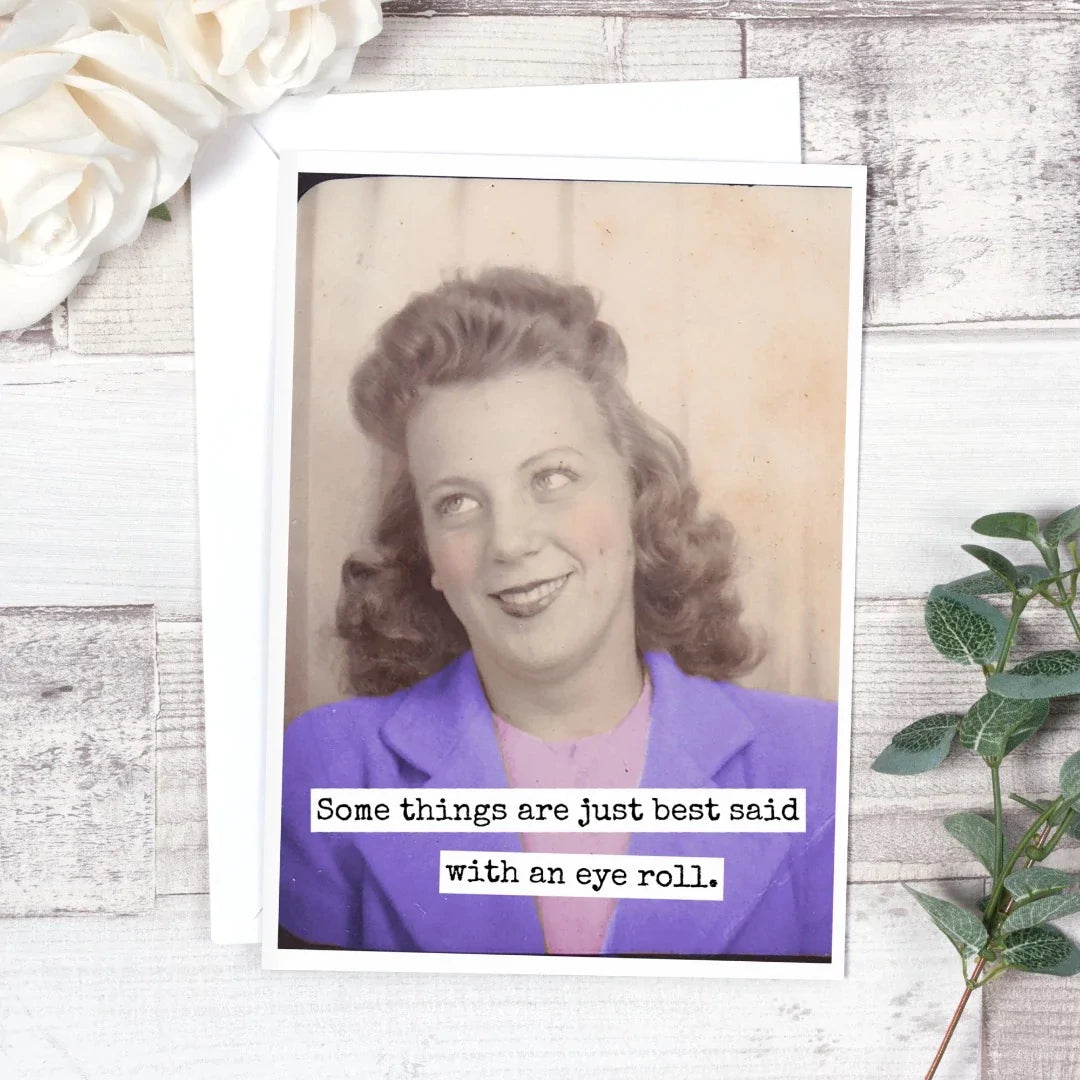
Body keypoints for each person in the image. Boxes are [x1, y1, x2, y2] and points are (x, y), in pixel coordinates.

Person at [279, 268, 837, 959]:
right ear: (425, 550)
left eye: (551, 478)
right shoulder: (327, 769)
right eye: (457, 502)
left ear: (636, 496)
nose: (510, 540)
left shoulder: (816, 763)